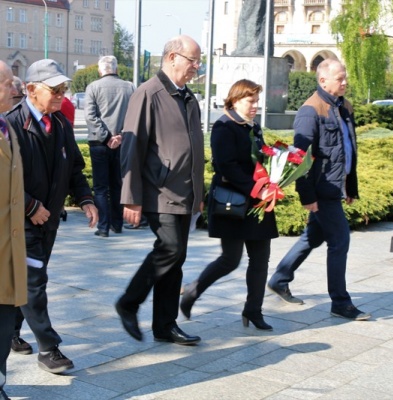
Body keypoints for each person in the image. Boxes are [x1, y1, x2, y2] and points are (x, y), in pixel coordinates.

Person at [5, 59, 99, 374]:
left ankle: (13, 332)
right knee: (34, 281)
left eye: (64, 89)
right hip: (20, 222)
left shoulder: (59, 124)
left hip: (49, 223)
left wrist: (85, 199)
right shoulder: (12, 124)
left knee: (27, 279)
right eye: (54, 89)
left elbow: (73, 166)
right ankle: (49, 348)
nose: (61, 95)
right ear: (31, 90)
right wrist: (31, 206)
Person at [115, 35, 204, 345]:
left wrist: (199, 195)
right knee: (170, 249)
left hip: (184, 194)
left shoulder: (189, 97)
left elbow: (194, 149)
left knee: (175, 261)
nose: (196, 66)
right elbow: (132, 147)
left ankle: (165, 326)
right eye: (192, 60)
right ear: (171, 58)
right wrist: (131, 198)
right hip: (158, 191)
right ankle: (128, 302)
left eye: (198, 61)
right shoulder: (148, 94)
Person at [267, 58, 371, 321]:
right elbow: (299, 158)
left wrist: (350, 186)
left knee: (313, 236)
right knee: (340, 240)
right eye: (340, 78)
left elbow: (349, 149)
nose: (345, 81)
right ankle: (340, 302)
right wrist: (307, 196)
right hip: (321, 189)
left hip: (336, 185)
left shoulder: (344, 106)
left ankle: (280, 278)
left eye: (345, 76)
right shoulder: (310, 110)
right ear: (323, 80)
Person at [180, 79, 279, 330]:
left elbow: (259, 156)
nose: (256, 105)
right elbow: (226, 166)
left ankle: (253, 311)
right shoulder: (224, 126)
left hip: (257, 200)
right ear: (235, 100)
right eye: (251, 100)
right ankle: (193, 290)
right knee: (230, 259)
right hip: (233, 201)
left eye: (257, 100)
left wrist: (276, 170)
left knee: (261, 260)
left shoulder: (252, 125)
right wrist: (256, 187)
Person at [0, 60, 27, 400]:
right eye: (8, 83)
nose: (14, 88)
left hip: (10, 244)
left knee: (5, 319)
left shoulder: (6, 126)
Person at [85, 55, 135, 237]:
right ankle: (117, 223)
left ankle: (103, 227)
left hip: (99, 143)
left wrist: (106, 137)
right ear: (116, 69)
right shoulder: (129, 87)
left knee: (100, 187)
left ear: (100, 70)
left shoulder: (93, 87)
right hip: (122, 143)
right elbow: (134, 115)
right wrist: (119, 136)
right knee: (118, 185)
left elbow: (91, 117)